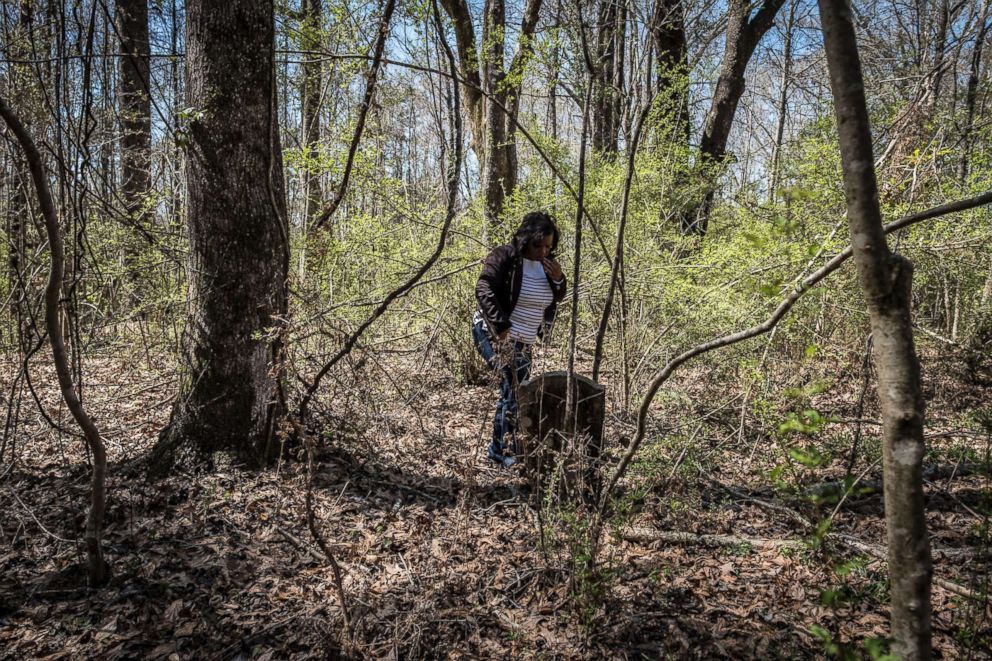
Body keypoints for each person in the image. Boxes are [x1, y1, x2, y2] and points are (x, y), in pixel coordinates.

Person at [472, 211, 567, 468]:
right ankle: (500, 452)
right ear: (526, 239)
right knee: (512, 390)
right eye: (539, 245)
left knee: (519, 393)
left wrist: (559, 278)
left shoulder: (548, 266)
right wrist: (501, 328)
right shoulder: (506, 256)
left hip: (524, 340)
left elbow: (557, 295)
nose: (544, 251)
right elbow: (484, 288)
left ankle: (508, 448)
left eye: (549, 246)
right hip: (492, 332)